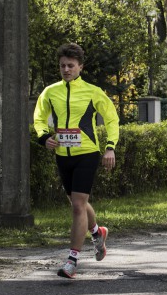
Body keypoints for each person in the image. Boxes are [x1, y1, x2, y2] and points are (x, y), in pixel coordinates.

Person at [34, 43, 119, 279]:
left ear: (80, 67)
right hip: (63, 155)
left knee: (77, 206)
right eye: (62, 65)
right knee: (76, 202)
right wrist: (43, 137)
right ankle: (96, 231)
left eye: (71, 65)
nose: (66, 69)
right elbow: (39, 117)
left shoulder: (93, 91)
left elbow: (112, 119)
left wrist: (110, 147)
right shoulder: (50, 92)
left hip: (87, 153)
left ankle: (72, 260)